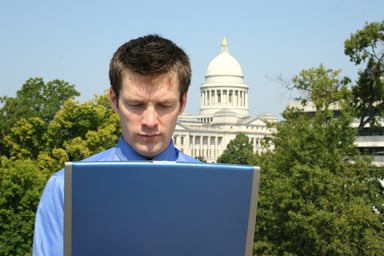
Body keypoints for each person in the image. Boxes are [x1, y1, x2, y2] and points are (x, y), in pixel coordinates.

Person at [32, 34, 199, 255]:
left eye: (164, 105)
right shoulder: (65, 188)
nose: (150, 121)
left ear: (183, 103)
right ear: (113, 100)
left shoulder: (211, 189)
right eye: (135, 104)